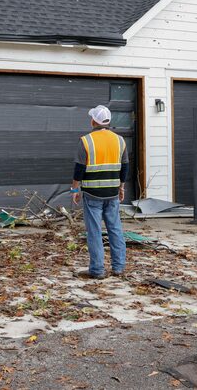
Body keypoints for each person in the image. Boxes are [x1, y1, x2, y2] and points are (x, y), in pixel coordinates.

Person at [70, 105, 128, 279]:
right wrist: (121, 187)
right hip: (112, 193)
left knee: (94, 231)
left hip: (92, 194)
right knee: (115, 229)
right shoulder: (120, 140)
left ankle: (97, 270)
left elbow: (79, 168)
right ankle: (118, 268)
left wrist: (75, 189)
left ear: (93, 121)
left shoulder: (86, 141)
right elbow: (124, 167)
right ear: (108, 122)